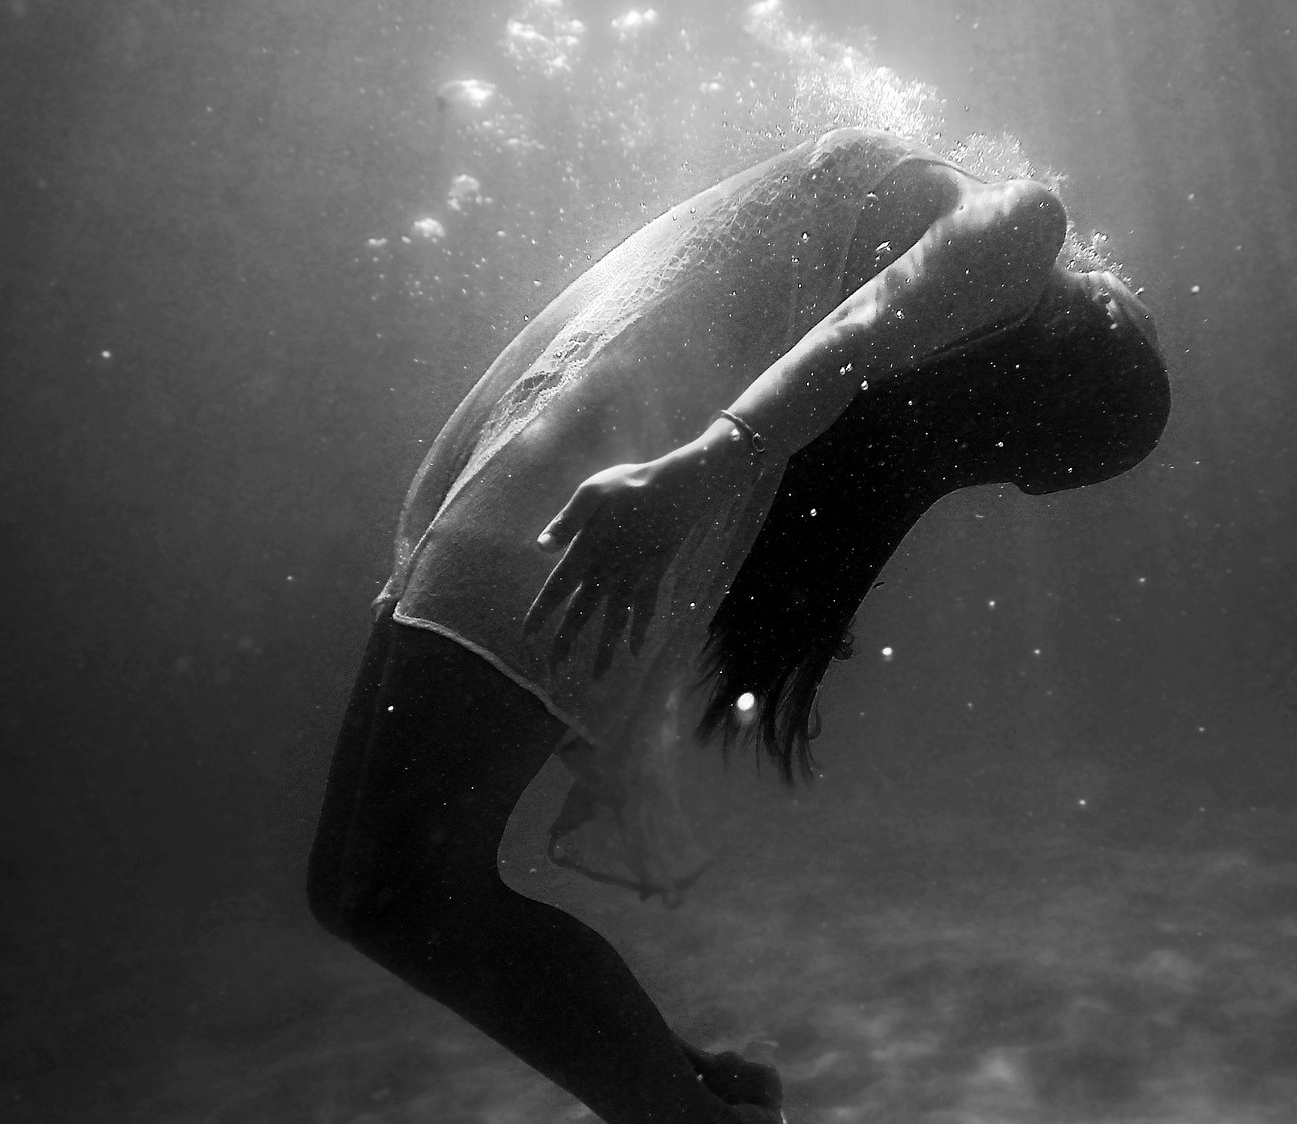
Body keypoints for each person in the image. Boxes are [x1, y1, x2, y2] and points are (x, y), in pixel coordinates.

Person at [307, 127, 1170, 1123]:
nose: (1130, 293)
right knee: (359, 890)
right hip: (589, 445)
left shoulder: (1022, 227)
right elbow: (834, 333)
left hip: (610, 470)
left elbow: (854, 336)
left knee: (396, 889)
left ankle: (688, 1108)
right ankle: (700, 1095)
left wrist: (690, 470)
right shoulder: (992, 234)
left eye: (1135, 322)